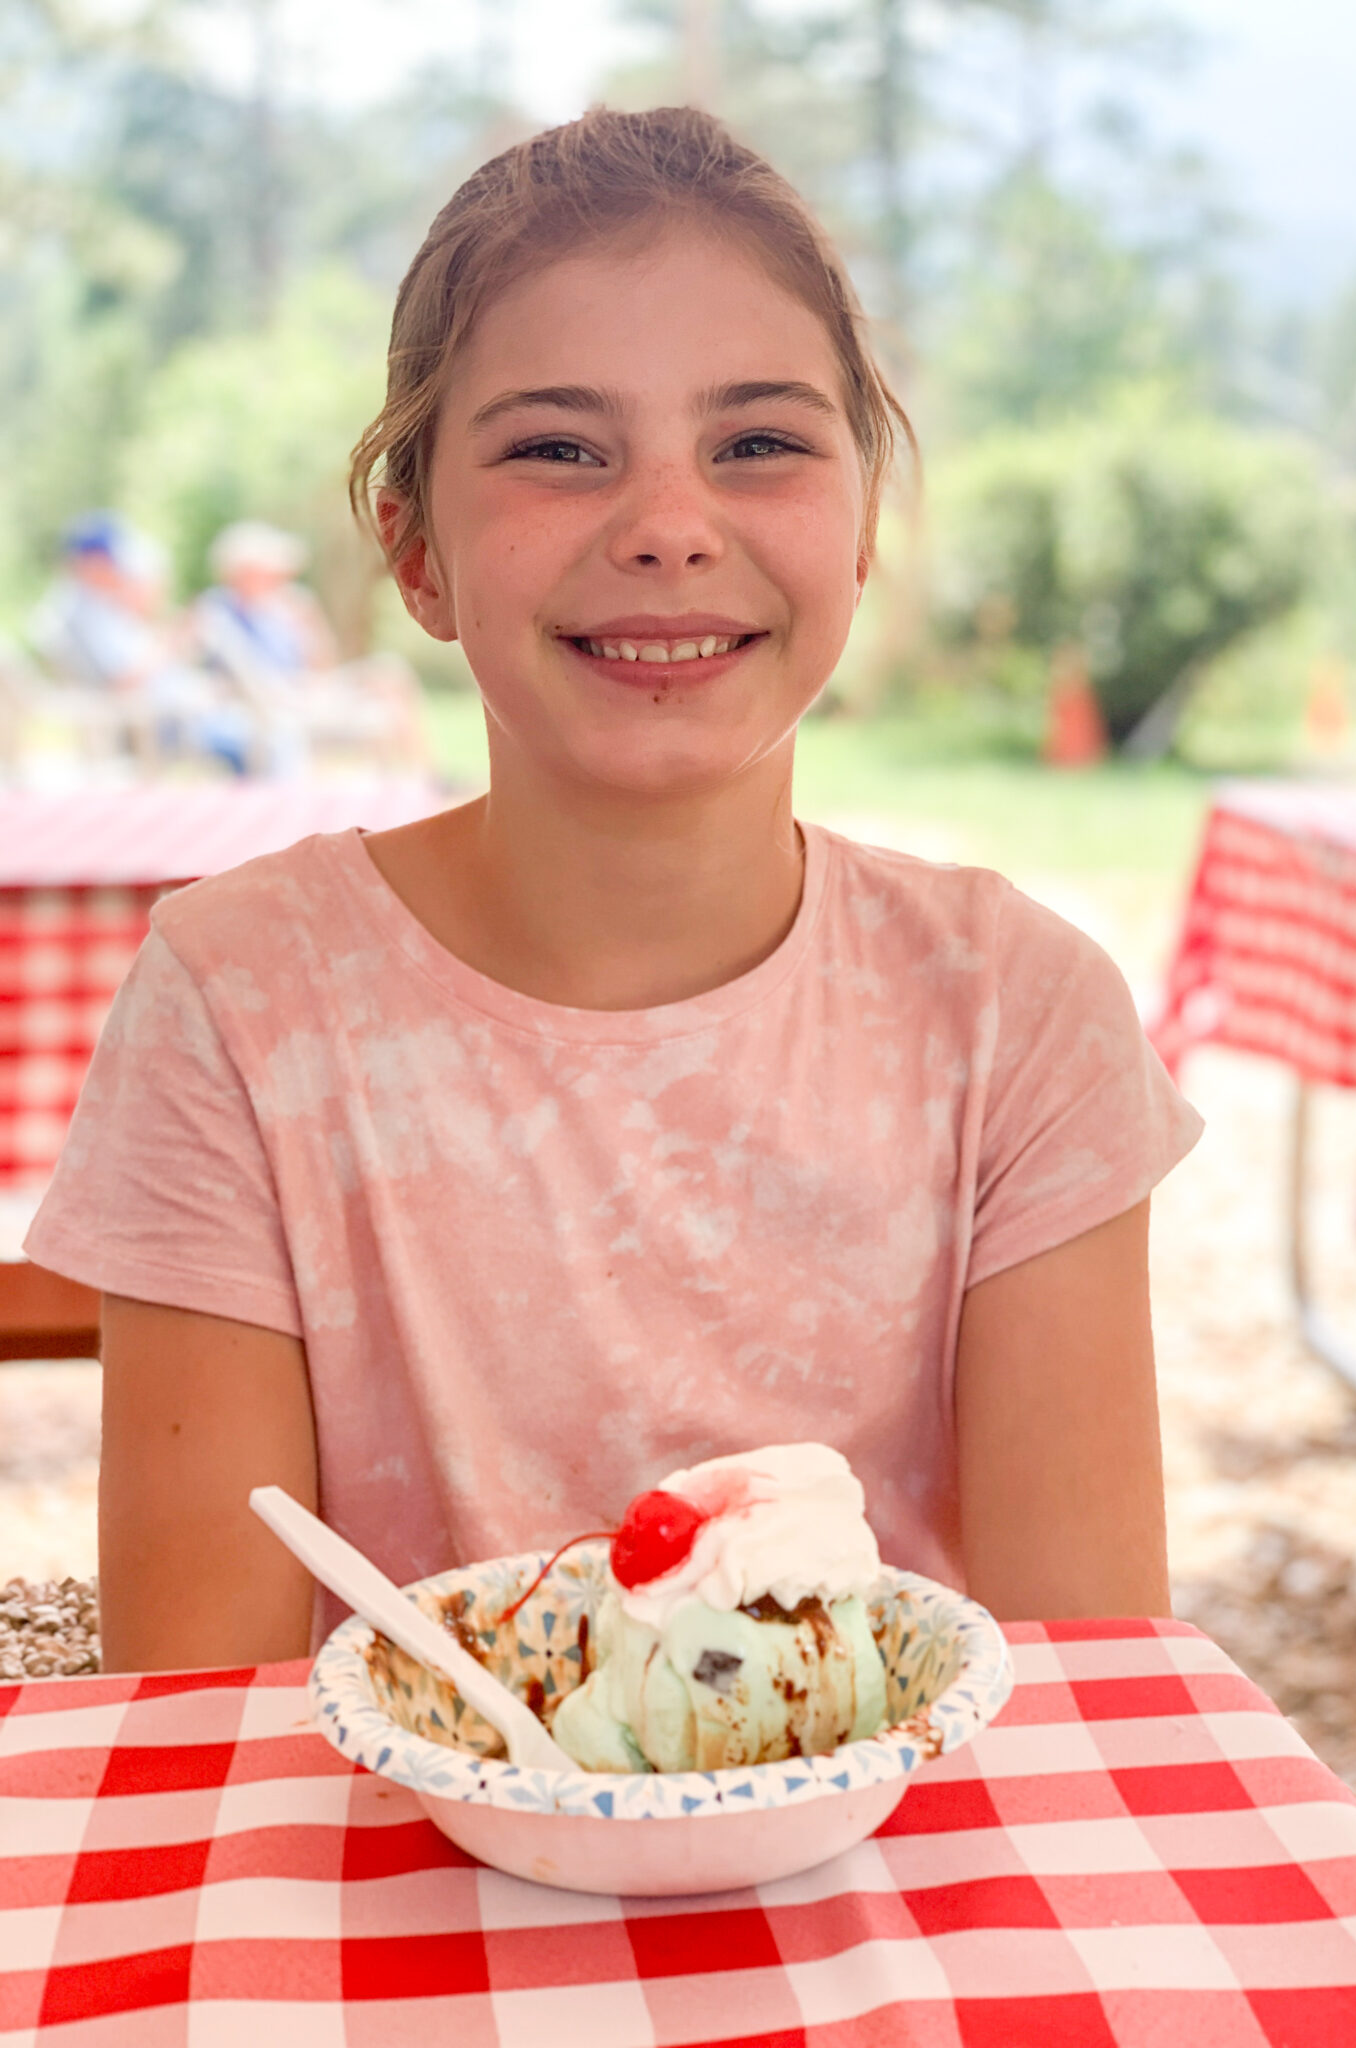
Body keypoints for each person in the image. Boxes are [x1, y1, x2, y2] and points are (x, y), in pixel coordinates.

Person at [24, 108, 1202, 1673]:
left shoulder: (1013, 1011)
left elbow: (1090, 1693)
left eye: (761, 444)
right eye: (558, 450)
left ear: (863, 534)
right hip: (379, 1882)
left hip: (888, 1886)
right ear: (416, 548)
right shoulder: (244, 1000)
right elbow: (196, 1713)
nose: (666, 527)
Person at [191, 520, 431, 775]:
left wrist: (308, 623)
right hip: (280, 700)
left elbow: (322, 663)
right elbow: (232, 675)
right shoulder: (218, 611)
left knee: (390, 671)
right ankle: (415, 780)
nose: (281, 578)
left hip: (308, 685)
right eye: (270, 571)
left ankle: (425, 774)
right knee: (383, 706)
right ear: (244, 573)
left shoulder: (284, 607)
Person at [27, 513, 255, 774]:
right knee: (264, 740)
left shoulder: (93, 606)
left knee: (259, 724)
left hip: (166, 715)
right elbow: (123, 680)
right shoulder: (81, 612)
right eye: (113, 561)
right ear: (92, 562)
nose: (119, 570)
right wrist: (170, 642)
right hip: (153, 724)